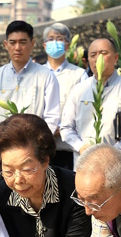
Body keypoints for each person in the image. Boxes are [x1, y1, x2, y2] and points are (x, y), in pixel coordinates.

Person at [60, 38, 121, 167]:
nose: (97, 59)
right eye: (93, 55)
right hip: (84, 164)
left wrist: (114, 152)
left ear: (116, 58)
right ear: (88, 60)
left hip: (118, 165)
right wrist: (81, 147)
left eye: (103, 53)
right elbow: (66, 127)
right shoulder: (79, 89)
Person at [0, 21, 61, 140]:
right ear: (6, 45)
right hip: (3, 146)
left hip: (34, 146)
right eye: (12, 43)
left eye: (22, 42)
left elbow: (52, 116)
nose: (17, 48)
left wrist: (37, 141)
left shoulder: (46, 76)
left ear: (32, 44)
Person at [42, 22, 89, 170]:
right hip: (41, 146)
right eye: (50, 39)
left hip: (68, 146)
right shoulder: (37, 73)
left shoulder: (79, 74)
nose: (54, 42)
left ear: (67, 45)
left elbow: (84, 108)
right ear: (44, 45)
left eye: (59, 39)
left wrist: (61, 128)